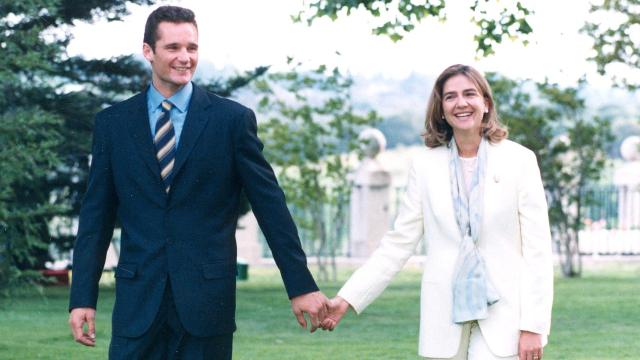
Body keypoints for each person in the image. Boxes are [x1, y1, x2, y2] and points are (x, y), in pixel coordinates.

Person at [68, 6, 328, 359]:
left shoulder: (232, 121)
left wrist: (300, 286)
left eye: (192, 48)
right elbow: (96, 218)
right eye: (173, 47)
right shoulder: (113, 124)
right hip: (137, 306)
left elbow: (271, 208)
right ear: (149, 51)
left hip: (207, 306)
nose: (184, 58)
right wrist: (82, 297)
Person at [321, 64, 554, 360]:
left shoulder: (519, 160)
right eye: (450, 97)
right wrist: (348, 298)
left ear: (486, 103)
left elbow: (538, 252)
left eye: (470, 94)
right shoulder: (425, 166)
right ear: (441, 110)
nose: (461, 103)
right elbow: (397, 244)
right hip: (443, 320)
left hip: (505, 320)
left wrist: (534, 326)